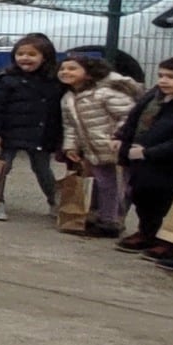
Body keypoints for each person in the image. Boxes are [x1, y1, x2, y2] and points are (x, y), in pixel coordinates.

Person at [115, 57, 173, 262]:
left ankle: (171, 243)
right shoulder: (154, 96)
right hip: (141, 158)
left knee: (168, 203)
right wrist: (121, 137)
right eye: (161, 75)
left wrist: (149, 152)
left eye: (172, 77)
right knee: (142, 196)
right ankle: (147, 232)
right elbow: (134, 117)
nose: (164, 81)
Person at [0, 33, 66, 223]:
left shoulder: (55, 81)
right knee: (2, 167)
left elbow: (57, 111)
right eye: (20, 54)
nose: (25, 58)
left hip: (40, 133)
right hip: (9, 132)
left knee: (42, 168)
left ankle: (55, 202)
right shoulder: (6, 79)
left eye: (32, 54)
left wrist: (58, 135)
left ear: (45, 57)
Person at [59, 54, 141, 240]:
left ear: (88, 74)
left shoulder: (105, 93)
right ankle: (100, 217)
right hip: (93, 150)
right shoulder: (69, 97)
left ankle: (112, 221)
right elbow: (70, 125)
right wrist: (70, 147)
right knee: (101, 184)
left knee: (119, 186)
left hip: (114, 148)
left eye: (72, 68)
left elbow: (128, 116)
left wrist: (119, 137)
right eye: (63, 69)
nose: (65, 72)